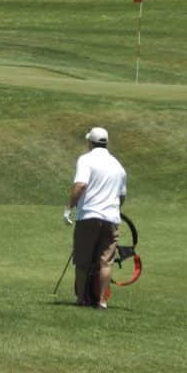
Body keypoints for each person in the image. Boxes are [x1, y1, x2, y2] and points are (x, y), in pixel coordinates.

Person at [65, 126, 128, 309]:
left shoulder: (86, 160)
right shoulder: (118, 165)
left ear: (90, 142)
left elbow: (81, 184)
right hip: (111, 218)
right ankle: (102, 301)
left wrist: (69, 207)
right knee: (106, 262)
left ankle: (82, 299)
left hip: (88, 216)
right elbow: (121, 196)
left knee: (82, 260)